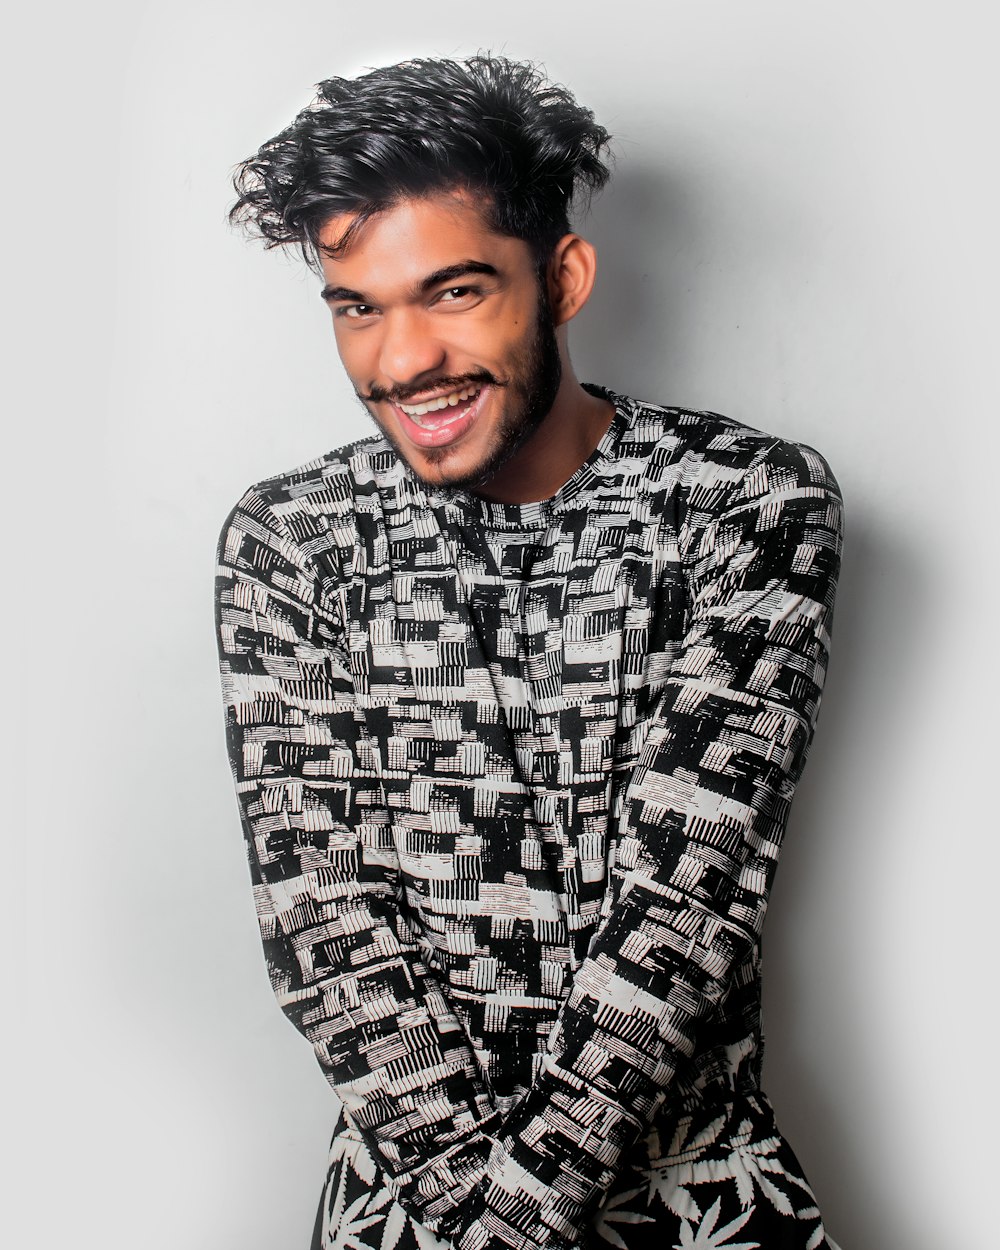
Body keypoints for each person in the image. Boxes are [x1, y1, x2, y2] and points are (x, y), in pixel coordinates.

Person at [215, 54, 843, 1250]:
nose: (401, 360)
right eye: (359, 305)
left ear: (561, 276)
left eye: (453, 292)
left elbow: (682, 909)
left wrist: (509, 1223)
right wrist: (475, 1215)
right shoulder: (293, 538)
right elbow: (324, 922)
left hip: (699, 1197)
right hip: (410, 1202)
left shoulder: (744, 501)